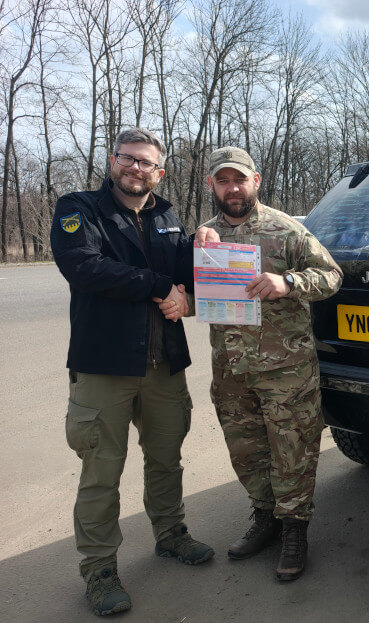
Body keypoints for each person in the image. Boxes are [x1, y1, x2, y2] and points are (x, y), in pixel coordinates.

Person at [50, 128, 213, 617]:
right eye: (128, 159)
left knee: (166, 459)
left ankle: (170, 533)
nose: (135, 168)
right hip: (105, 367)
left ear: (158, 172)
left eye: (146, 163)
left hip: (164, 364)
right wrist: (163, 285)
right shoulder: (78, 208)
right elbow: (86, 268)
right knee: (102, 472)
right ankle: (99, 571)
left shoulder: (166, 215)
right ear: (112, 160)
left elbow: (189, 270)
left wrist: (204, 243)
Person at [197, 146, 342, 581]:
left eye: (240, 179)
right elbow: (194, 293)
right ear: (212, 186)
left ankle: (295, 529)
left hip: (286, 370)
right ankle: (265, 517)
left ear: (255, 181)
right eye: (223, 180)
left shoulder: (286, 231)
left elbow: (332, 276)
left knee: (292, 450)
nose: (233, 188)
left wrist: (289, 281)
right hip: (231, 370)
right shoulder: (204, 236)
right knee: (247, 450)